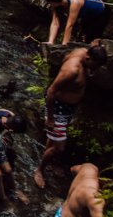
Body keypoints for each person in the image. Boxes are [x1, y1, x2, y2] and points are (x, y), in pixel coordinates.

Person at [35, 43, 107, 189]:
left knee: (55, 139)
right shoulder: (72, 70)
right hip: (58, 109)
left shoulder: (83, 52)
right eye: (96, 65)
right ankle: (39, 170)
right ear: (88, 58)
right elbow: (51, 92)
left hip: (68, 108)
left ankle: (51, 160)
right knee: (59, 147)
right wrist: (50, 118)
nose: (96, 69)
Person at [44, 0, 109, 44]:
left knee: (92, 40)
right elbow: (55, 24)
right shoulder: (57, 6)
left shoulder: (74, 1)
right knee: (82, 39)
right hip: (87, 16)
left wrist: (64, 44)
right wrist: (50, 42)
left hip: (100, 13)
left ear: (52, 2)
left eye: (49, 3)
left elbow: (70, 25)